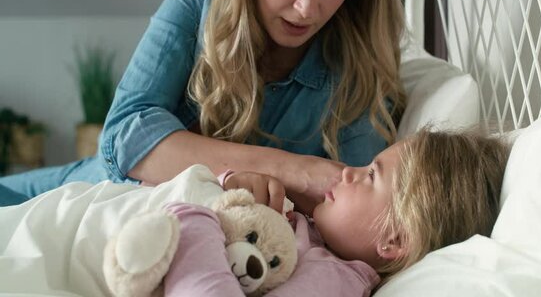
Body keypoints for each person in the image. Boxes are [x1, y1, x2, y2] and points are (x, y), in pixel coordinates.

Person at [0, 0, 406, 212]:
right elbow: (125, 134)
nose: (307, 8)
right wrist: (294, 170)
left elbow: (356, 213)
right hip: (85, 191)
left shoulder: (361, 66)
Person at [0, 127, 511, 296]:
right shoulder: (316, 235)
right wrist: (225, 189)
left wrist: (194, 222)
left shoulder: (335, 281)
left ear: (394, 242)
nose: (350, 172)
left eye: (372, 175)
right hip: (82, 215)